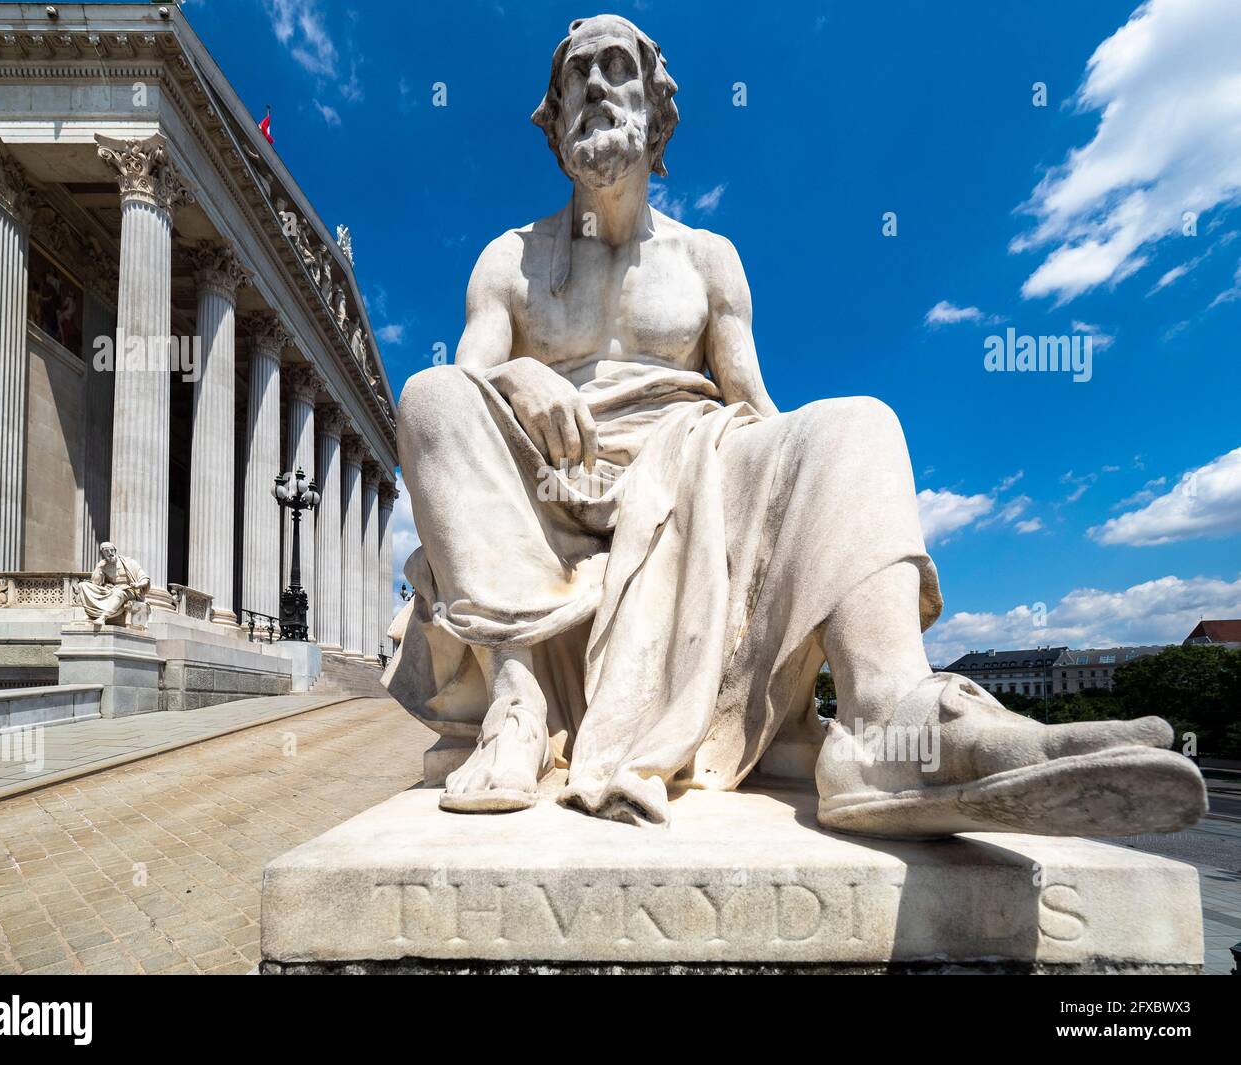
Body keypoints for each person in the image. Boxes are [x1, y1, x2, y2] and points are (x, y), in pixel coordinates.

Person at [386, 14, 1205, 837]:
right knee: (429, 395)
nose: (596, 86)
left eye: (617, 67)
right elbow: (464, 385)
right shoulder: (508, 259)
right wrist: (518, 376)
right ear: (556, 116)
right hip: (547, 480)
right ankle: (521, 703)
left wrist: (816, 488)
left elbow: (756, 407)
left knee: (857, 421)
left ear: (656, 109)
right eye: (576, 76)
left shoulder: (709, 260)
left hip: (691, 464)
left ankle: (889, 717)